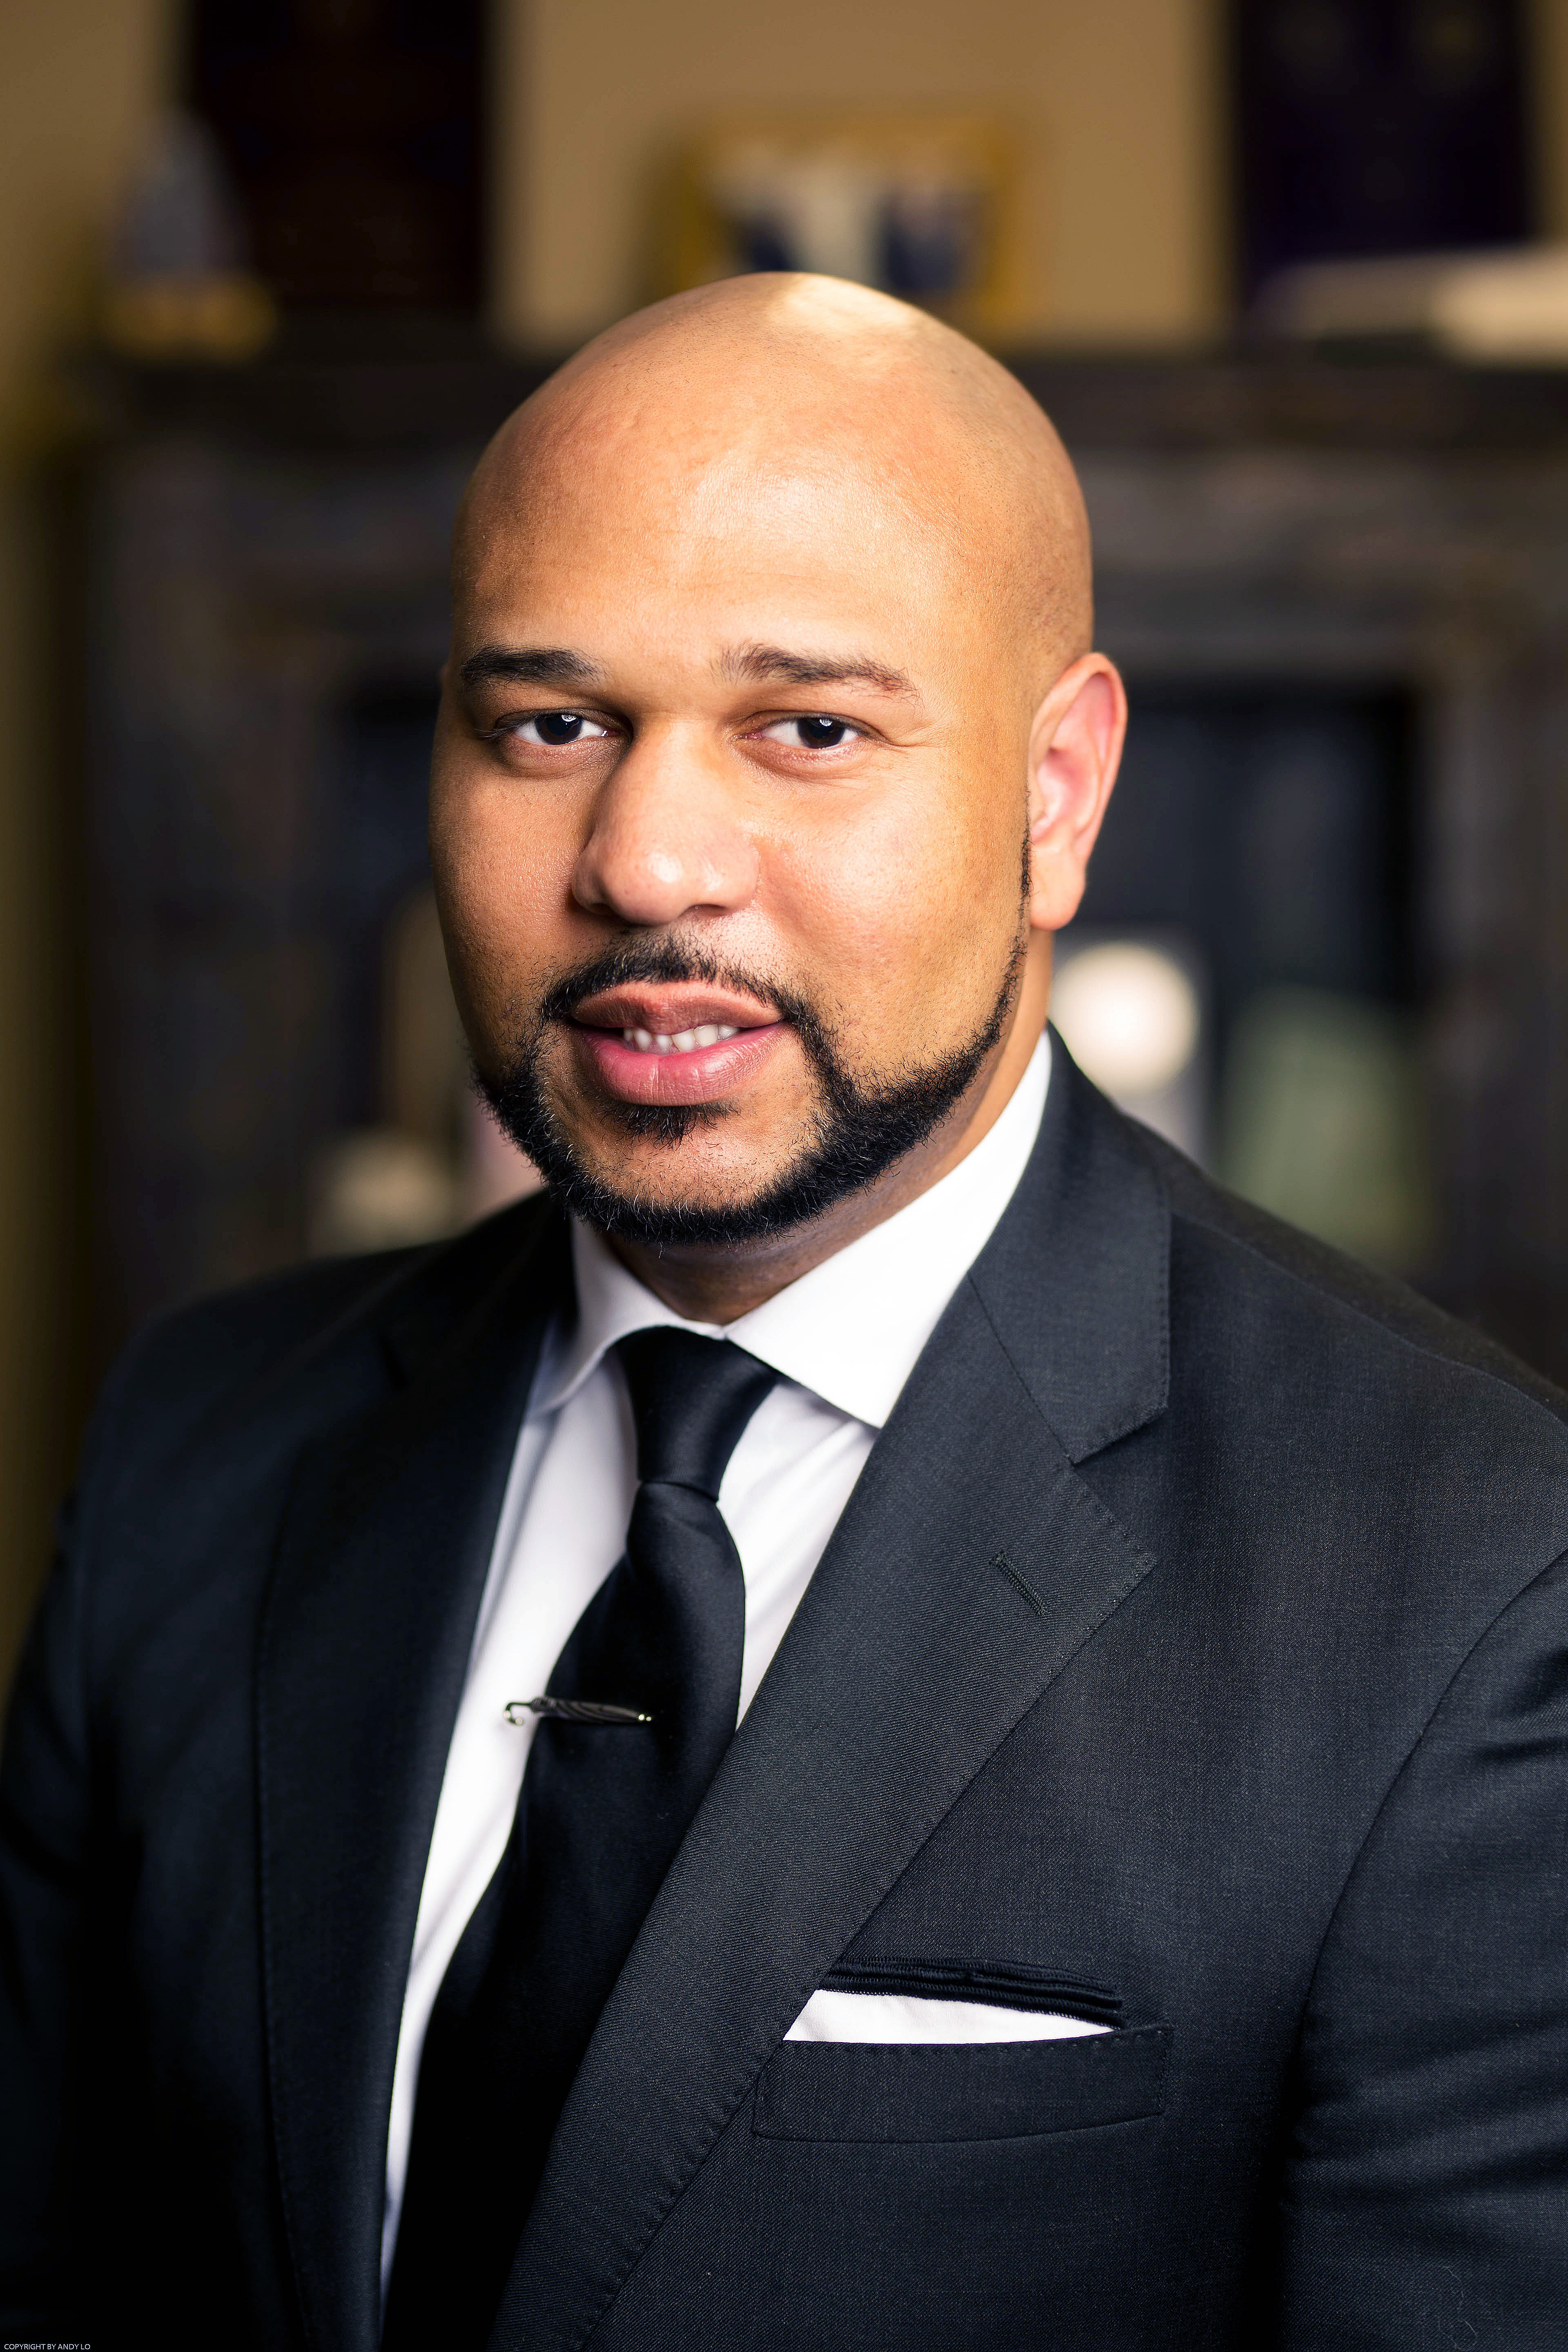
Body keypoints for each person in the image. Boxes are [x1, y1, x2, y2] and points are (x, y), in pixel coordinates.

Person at [2, 274, 1566, 2352]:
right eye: (550, 726)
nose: (648, 862)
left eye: (810, 729)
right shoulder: (200, 1444)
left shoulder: (1472, 1575)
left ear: (1056, 794)